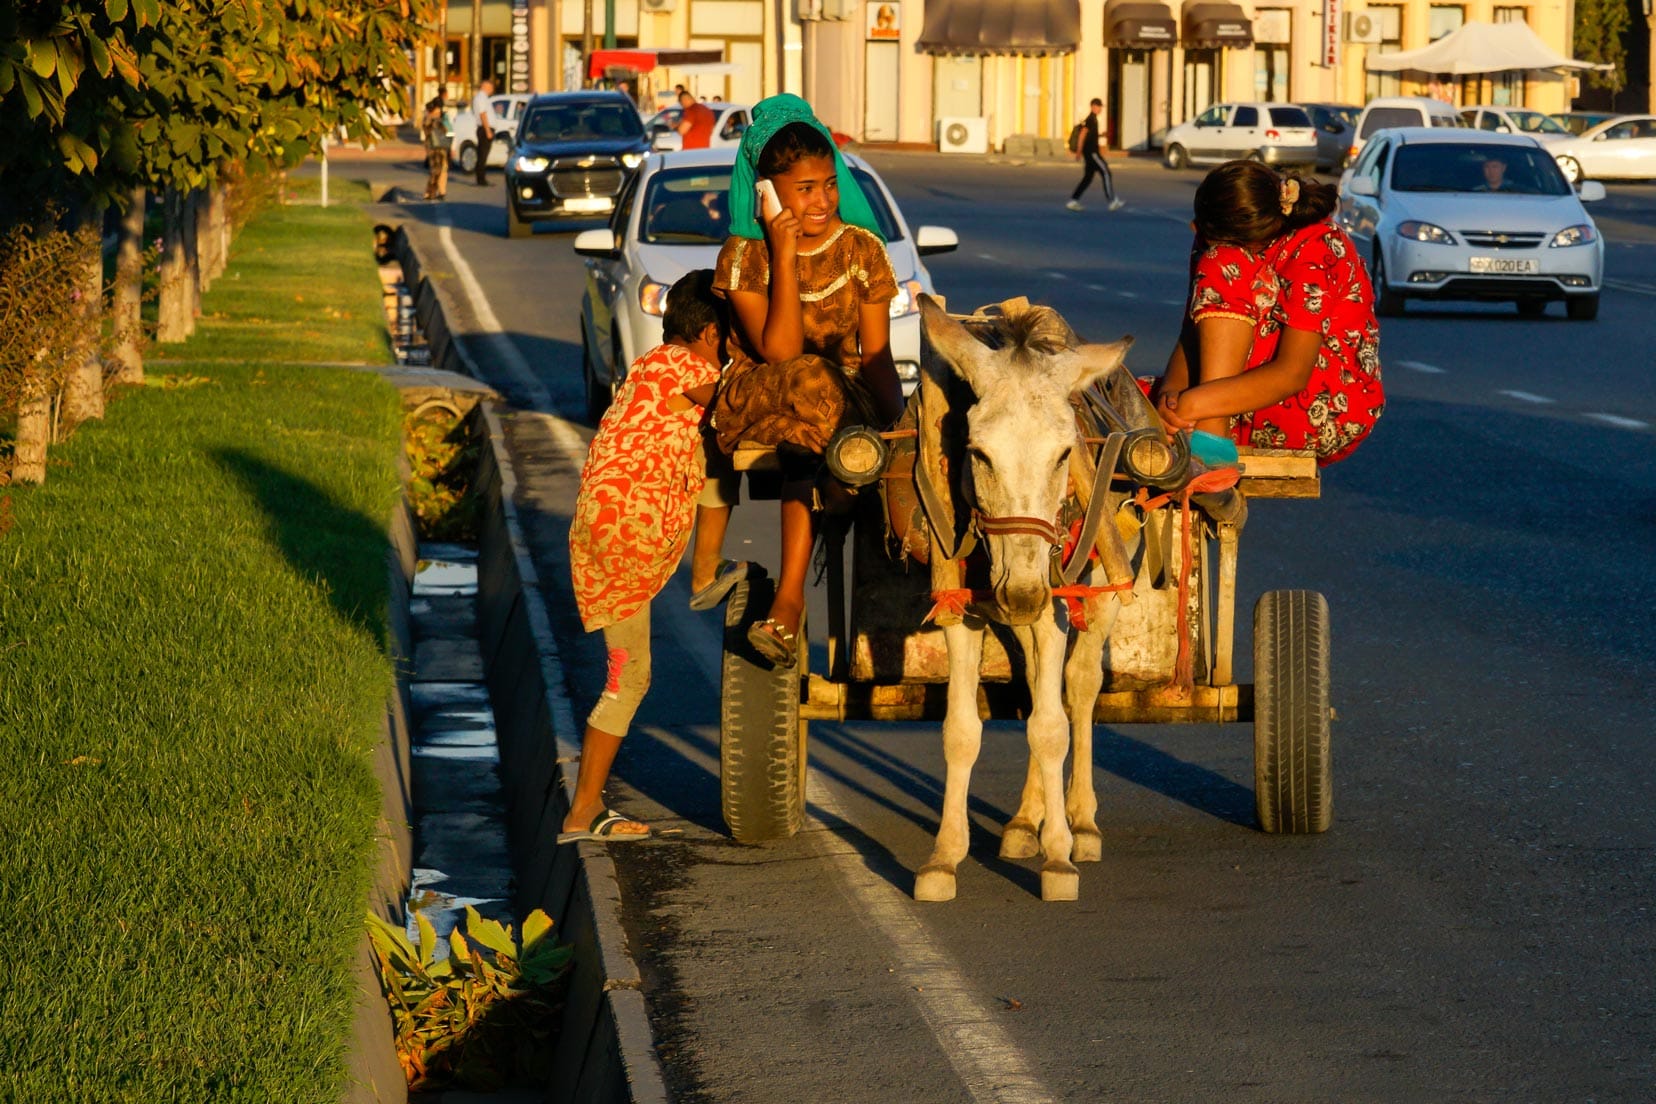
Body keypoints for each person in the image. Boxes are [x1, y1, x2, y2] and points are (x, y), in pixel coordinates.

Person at [707, 94, 906, 667]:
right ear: (766, 191)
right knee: (810, 378)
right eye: (804, 189)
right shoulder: (746, 255)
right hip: (763, 389)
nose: (821, 200)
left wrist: (898, 430)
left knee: (806, 441)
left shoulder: (863, 249)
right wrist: (785, 248)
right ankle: (840, 487)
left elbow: (877, 359)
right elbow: (781, 352)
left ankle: (789, 599)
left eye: (828, 183)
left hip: (838, 406)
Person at [561, 270, 743, 843]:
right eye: (737, 331)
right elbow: (737, 412)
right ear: (713, 333)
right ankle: (583, 810)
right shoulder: (692, 370)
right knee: (628, 676)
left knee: (715, 456)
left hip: (604, 534)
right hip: (622, 541)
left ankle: (706, 569)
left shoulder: (650, 363)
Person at [1151, 160, 1384, 465]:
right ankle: (1209, 431)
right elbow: (1192, 333)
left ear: (1254, 237)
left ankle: (1211, 441)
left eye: (1204, 233)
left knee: (1222, 263)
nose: (1196, 233)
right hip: (1239, 393)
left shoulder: (1316, 244)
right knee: (1120, 396)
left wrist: (1196, 403)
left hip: (1321, 407)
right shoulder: (1216, 236)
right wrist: (1171, 394)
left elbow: (1293, 374)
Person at [1067, 98, 1123, 213]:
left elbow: (1090, 136)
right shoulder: (1090, 119)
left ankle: (1073, 201)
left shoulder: (1093, 120)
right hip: (1092, 153)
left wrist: (1102, 135)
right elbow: (1083, 134)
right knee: (1106, 172)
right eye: (1099, 106)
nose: (1101, 108)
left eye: (1101, 106)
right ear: (1093, 106)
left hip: (1089, 153)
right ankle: (1112, 201)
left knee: (1087, 178)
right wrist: (1078, 151)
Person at [420, 91, 451, 200]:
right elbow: (445, 130)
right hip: (435, 147)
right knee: (436, 170)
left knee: (440, 169)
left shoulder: (430, 119)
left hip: (438, 146)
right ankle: (429, 193)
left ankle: (436, 192)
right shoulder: (432, 120)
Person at [470, 78, 497, 186]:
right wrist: (488, 130)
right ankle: (481, 179)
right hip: (484, 129)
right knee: (482, 155)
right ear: (486, 87)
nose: (492, 90)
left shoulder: (484, 98)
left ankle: (481, 178)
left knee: (483, 154)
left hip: (485, 128)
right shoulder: (481, 98)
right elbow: (482, 114)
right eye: (491, 88)